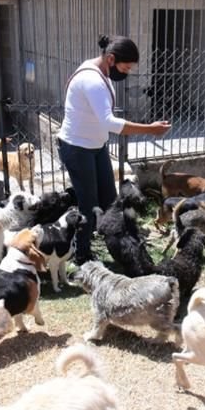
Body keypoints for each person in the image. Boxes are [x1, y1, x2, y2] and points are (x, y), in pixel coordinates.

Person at [58, 34, 171, 265]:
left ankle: (121, 246)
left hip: (95, 146)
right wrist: (149, 129)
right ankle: (82, 257)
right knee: (88, 205)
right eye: (126, 67)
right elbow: (109, 122)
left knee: (110, 201)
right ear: (110, 58)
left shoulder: (103, 73)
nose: (127, 72)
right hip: (77, 148)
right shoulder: (92, 80)